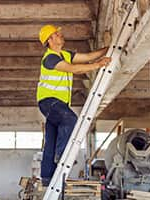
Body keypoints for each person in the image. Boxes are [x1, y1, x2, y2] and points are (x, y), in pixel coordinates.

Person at [37, 24, 111, 186]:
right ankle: (61, 156)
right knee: (70, 119)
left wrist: (108, 49)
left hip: (57, 105)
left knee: (51, 139)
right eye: (56, 34)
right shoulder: (50, 58)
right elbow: (73, 69)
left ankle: (47, 178)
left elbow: (88, 56)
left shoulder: (65, 54)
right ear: (49, 40)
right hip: (49, 102)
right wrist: (98, 65)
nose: (60, 35)